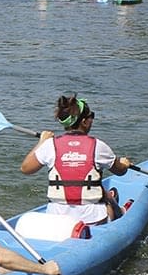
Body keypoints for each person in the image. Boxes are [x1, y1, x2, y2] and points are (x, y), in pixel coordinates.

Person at [20, 94, 132, 225]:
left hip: (58, 220)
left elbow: (25, 168)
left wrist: (42, 142)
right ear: (84, 121)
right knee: (105, 198)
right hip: (93, 220)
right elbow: (120, 171)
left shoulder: (50, 145)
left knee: (99, 189)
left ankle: (110, 199)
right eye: (92, 116)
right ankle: (121, 212)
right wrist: (124, 163)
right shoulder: (98, 146)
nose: (92, 120)